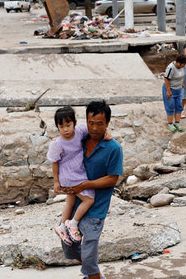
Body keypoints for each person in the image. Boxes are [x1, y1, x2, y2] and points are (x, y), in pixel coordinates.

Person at [60, 100, 123, 279]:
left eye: (100, 124)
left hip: (95, 210)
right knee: (70, 248)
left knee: (88, 256)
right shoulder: (79, 139)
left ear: (107, 123)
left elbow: (112, 178)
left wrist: (86, 185)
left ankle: (93, 275)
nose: (95, 128)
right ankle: (94, 276)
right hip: (74, 205)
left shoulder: (113, 148)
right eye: (91, 123)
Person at [47, 107, 96, 245]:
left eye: (68, 125)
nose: (66, 129)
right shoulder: (58, 144)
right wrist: (56, 182)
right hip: (70, 177)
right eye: (61, 126)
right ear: (57, 127)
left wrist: (107, 133)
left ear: (74, 123)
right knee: (89, 199)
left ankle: (62, 227)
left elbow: (93, 128)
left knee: (70, 201)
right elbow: (55, 163)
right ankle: (73, 223)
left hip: (78, 172)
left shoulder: (79, 132)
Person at [162, 54, 186, 132]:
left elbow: (182, 75)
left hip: (179, 89)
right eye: (183, 64)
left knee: (179, 106)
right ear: (179, 63)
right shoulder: (171, 68)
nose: (184, 66)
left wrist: (182, 83)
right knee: (170, 106)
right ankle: (170, 124)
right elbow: (166, 79)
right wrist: (168, 91)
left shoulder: (182, 67)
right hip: (171, 90)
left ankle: (177, 123)